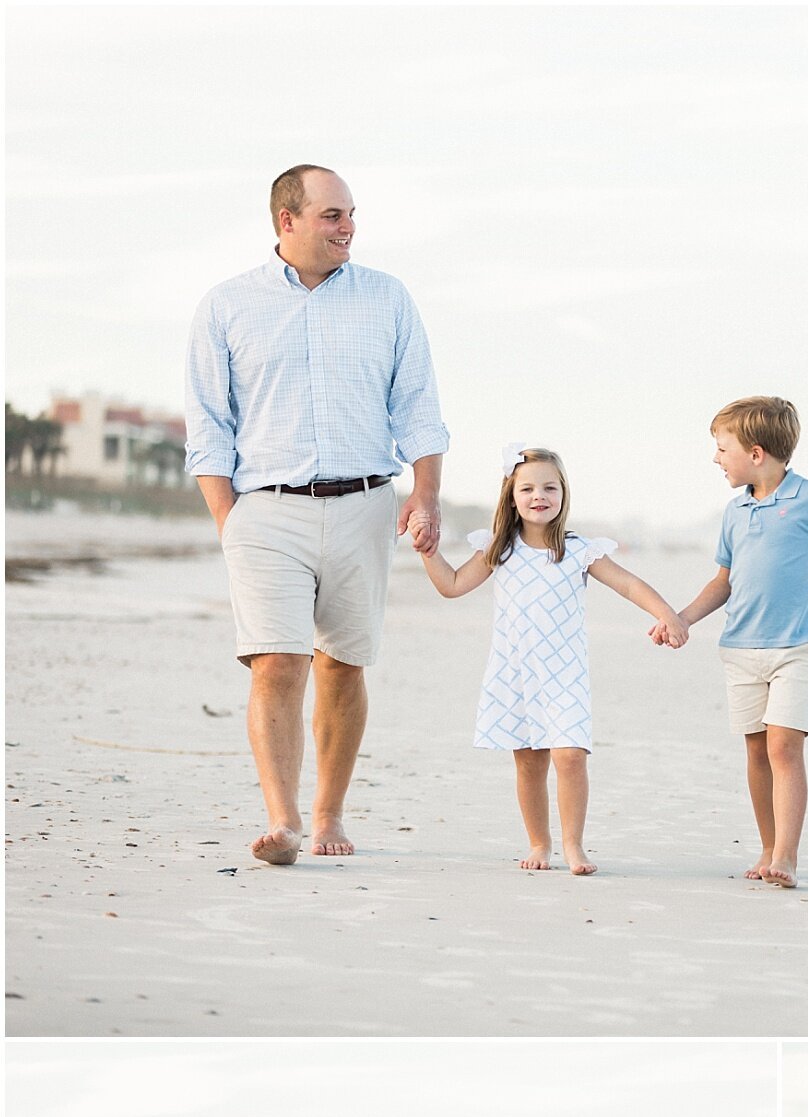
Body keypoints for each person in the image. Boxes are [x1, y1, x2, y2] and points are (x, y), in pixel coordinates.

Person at [184, 163, 450, 866]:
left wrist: (426, 494)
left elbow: (418, 406)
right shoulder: (226, 306)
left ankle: (330, 809)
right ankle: (284, 817)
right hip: (264, 510)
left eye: (352, 214)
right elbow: (208, 425)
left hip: (366, 504)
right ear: (288, 221)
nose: (349, 228)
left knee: (343, 665)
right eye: (333, 215)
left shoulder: (388, 300)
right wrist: (228, 521)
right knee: (277, 662)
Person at [409, 445, 686, 874]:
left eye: (550, 487)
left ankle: (574, 846)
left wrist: (666, 614)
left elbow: (629, 585)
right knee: (529, 762)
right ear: (511, 496)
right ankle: (540, 843)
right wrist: (428, 551)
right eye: (529, 488)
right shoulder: (499, 549)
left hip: (564, 675)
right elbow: (452, 584)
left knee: (571, 757)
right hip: (516, 673)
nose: (540, 495)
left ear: (564, 494)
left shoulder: (577, 550)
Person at [666, 397, 808, 888]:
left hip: (799, 646)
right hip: (741, 648)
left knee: (784, 747)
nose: (715, 458)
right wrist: (683, 618)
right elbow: (722, 582)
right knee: (756, 752)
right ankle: (768, 846)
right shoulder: (734, 511)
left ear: (755, 453)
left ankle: (787, 856)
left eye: (721, 448)